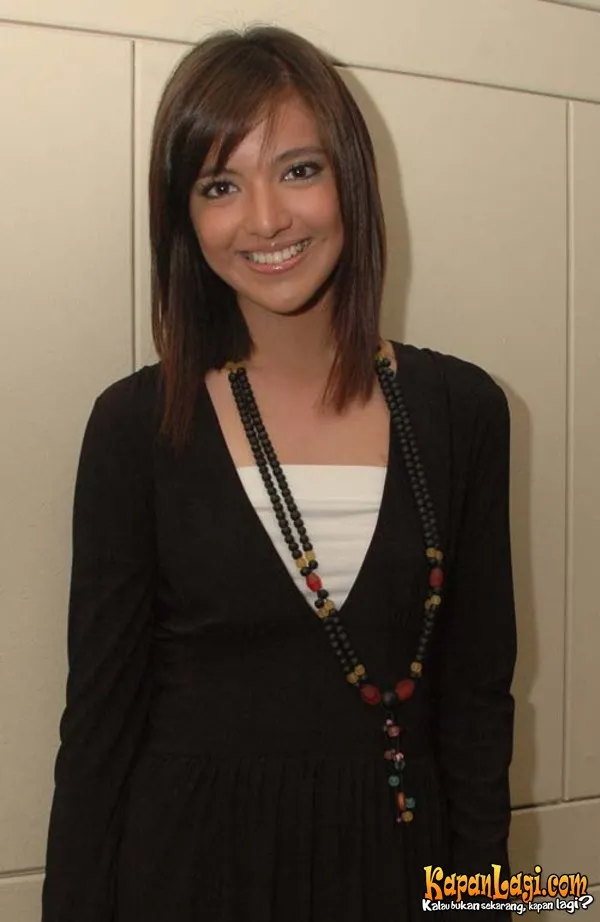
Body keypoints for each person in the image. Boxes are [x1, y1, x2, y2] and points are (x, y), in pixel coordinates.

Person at [42, 23, 517, 922]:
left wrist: (488, 903)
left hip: (397, 871)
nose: (265, 219)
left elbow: (478, 707)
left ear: (351, 179)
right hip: (184, 879)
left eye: (298, 169)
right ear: (184, 218)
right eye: (220, 185)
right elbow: (96, 730)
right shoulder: (134, 426)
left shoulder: (464, 413)